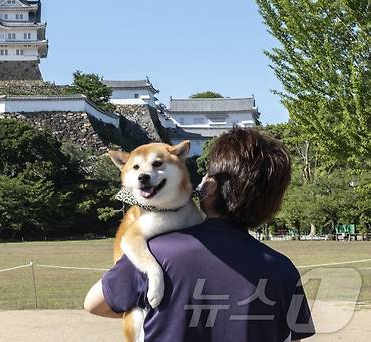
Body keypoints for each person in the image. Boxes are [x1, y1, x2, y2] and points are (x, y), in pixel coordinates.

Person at [84, 128, 315, 341]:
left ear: (211, 186)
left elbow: (94, 304)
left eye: (207, 175)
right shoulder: (284, 269)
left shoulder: (156, 253)